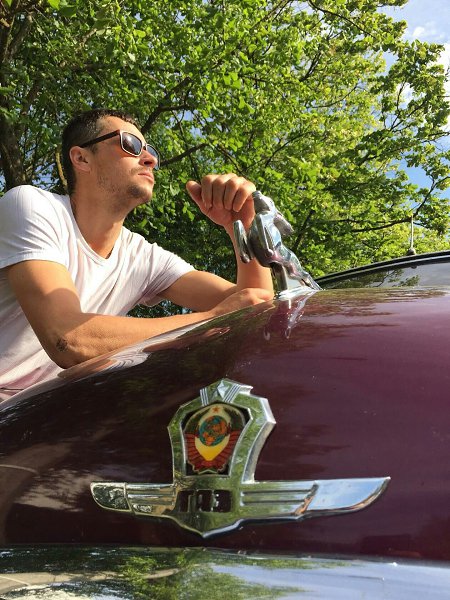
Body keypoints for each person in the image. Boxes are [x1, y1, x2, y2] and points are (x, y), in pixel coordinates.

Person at [0, 109, 273, 401]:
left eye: (150, 151)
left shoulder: (142, 257)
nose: (150, 159)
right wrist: (211, 320)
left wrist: (243, 226)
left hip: (38, 415)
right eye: (130, 144)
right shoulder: (33, 206)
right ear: (82, 158)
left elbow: (255, 307)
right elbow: (68, 339)